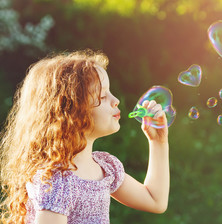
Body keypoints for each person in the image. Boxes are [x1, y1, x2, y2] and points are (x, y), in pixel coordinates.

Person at [0, 50, 170, 224]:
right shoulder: (57, 183)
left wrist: (158, 141)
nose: (116, 100)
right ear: (71, 112)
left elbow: (155, 200)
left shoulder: (106, 168)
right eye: (103, 96)